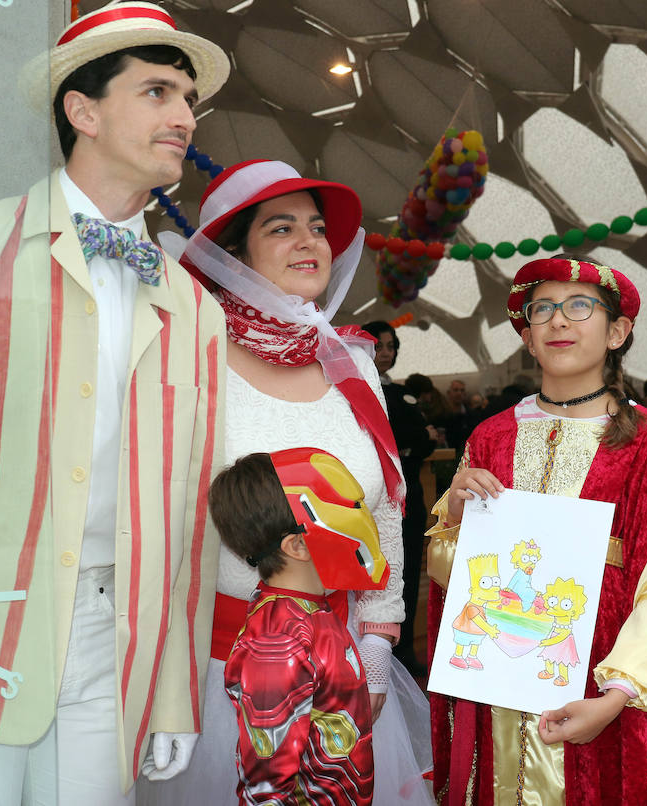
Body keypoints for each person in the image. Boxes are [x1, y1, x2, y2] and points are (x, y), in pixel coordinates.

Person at [0, 3, 230, 803]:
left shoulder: (195, 309)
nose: (184, 117)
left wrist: (173, 690)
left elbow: (189, 521)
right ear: (82, 110)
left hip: (114, 639)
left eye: (189, 99)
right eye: (160, 91)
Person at [143, 159, 433, 805]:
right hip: (217, 673)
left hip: (345, 661)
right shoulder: (188, 352)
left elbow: (385, 505)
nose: (310, 242)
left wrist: (381, 636)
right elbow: (156, 517)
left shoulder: (350, 359)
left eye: (317, 227)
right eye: (282, 228)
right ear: (233, 254)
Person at [425, 255, 647, 804]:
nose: (559, 320)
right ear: (528, 338)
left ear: (617, 331)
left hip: (601, 684)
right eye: (543, 309)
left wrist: (617, 694)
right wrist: (457, 520)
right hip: (500, 680)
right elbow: (449, 576)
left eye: (579, 306)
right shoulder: (490, 437)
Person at [210, 448, 391, 806]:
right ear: (296, 545)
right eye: (339, 515)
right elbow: (266, 786)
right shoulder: (277, 642)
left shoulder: (307, 610)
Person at [362, 320, 436, 676]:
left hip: (408, 498)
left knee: (404, 572)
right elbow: (411, 437)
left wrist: (413, 441)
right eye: (378, 346)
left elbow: (422, 443)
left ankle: (402, 649)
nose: (385, 353)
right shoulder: (355, 389)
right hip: (367, 499)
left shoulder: (401, 393)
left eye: (391, 346)